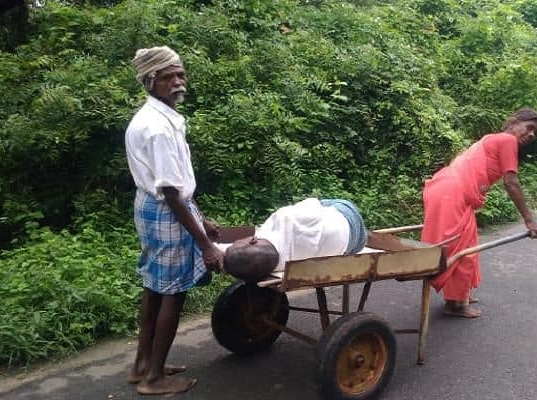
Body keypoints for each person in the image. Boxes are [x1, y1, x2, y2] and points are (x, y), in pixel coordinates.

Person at [124, 45, 225, 395]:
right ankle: (154, 379)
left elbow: (174, 182)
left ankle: (142, 364)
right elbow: (169, 190)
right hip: (165, 212)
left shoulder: (154, 118)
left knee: (154, 287)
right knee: (173, 293)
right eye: (169, 77)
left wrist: (199, 213)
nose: (178, 82)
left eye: (180, 74)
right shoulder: (159, 128)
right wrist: (205, 244)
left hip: (151, 208)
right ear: (151, 81)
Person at [421, 107, 537, 318]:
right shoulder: (507, 141)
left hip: (448, 190)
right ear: (514, 122)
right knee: (460, 251)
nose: (532, 134)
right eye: (530, 127)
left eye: (536, 133)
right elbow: (511, 183)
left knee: (466, 246)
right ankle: (455, 304)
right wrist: (529, 220)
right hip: (452, 193)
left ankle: (460, 294)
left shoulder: (492, 139)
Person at [220, 198, 368, 282]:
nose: (237, 241)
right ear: (252, 240)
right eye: (237, 242)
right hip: (350, 219)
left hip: (351, 247)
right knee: (320, 204)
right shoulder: (286, 218)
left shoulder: (277, 266)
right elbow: (313, 203)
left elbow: (240, 256)